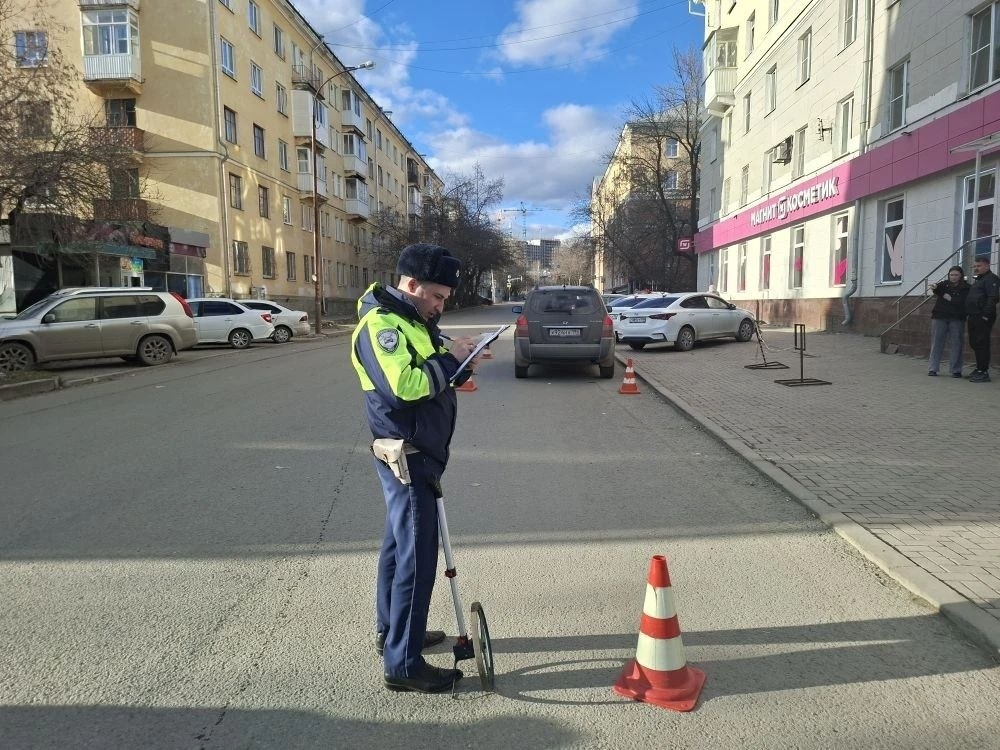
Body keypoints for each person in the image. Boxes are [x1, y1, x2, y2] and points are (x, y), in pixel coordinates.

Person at [350, 243, 479, 693]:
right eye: (438, 296)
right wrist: (449, 360)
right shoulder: (382, 326)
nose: (442, 305)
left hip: (416, 452)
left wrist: (459, 363)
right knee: (417, 559)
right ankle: (403, 664)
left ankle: (393, 632)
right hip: (408, 455)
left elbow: (430, 375)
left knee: (398, 546)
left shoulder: (412, 320)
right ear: (411, 285)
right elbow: (405, 388)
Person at [927, 265, 970, 377]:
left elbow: (962, 301)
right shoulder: (944, 284)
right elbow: (936, 288)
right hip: (940, 316)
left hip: (957, 318)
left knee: (956, 343)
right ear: (948, 275)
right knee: (936, 342)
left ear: (961, 276)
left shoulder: (966, 287)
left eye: (956, 275)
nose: (953, 277)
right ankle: (933, 368)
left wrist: (950, 298)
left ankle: (956, 370)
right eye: (951, 275)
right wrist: (935, 287)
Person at [965, 254, 1000, 382]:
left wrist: (985, 315)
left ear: (987, 265)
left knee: (982, 343)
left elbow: (993, 298)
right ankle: (979, 368)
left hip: (982, 317)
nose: (976, 268)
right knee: (974, 342)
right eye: (975, 266)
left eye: (979, 266)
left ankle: (983, 372)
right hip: (973, 316)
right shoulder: (979, 279)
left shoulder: (992, 279)